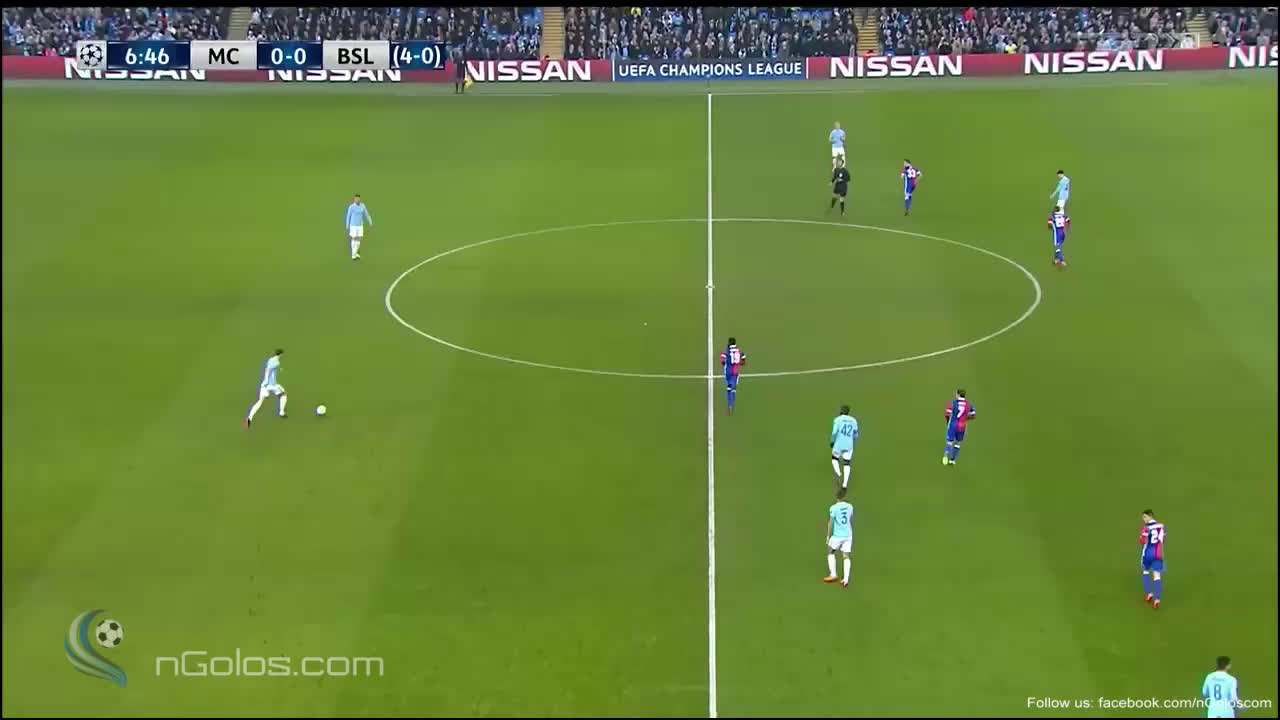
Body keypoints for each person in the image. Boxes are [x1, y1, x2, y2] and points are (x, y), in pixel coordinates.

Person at [245, 349, 287, 427]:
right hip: (272, 385)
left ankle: (249, 418)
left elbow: (270, 368)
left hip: (264, 386)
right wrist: (267, 380)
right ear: (280, 354)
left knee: (259, 402)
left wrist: (279, 369)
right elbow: (268, 370)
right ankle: (281, 412)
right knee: (283, 394)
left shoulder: (270, 360)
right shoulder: (277, 362)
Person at [824, 487, 854, 587]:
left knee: (831, 551)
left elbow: (830, 522)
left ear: (837, 497)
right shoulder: (850, 506)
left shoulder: (834, 508)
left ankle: (833, 574)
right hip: (848, 534)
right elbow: (850, 518)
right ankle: (846, 580)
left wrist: (828, 536)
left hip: (838, 535)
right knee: (846, 555)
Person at [1139, 509, 1165, 609]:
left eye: (1145, 517)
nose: (1143, 519)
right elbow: (1163, 539)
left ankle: (1149, 593)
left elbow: (1142, 540)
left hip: (1147, 553)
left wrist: (1141, 539)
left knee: (1145, 571)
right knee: (1157, 576)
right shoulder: (1161, 526)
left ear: (1150, 516)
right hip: (1158, 554)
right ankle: (1157, 599)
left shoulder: (1146, 528)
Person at [942, 389, 975, 466]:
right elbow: (973, 415)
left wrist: (948, 422)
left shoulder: (952, 403)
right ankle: (952, 460)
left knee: (949, 442)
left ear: (958, 394)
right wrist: (965, 419)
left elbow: (947, 414)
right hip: (962, 426)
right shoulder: (969, 404)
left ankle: (945, 456)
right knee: (958, 443)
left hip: (953, 425)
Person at [829, 405, 858, 490]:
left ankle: (838, 473)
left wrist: (832, 441)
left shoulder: (837, 419)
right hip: (849, 445)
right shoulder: (854, 420)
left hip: (839, 444)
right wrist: (852, 440)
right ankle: (845, 484)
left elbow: (834, 432)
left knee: (834, 458)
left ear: (841, 411)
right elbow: (856, 435)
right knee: (847, 463)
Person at [719, 337, 745, 415]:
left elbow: (722, 361)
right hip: (735, 372)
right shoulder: (739, 351)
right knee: (733, 389)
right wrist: (737, 363)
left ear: (729, 342)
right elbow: (743, 361)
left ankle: (729, 405)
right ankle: (731, 405)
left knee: (729, 388)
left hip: (728, 371)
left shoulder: (726, 351)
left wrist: (726, 362)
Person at [345, 193, 373, 261]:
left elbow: (366, 213)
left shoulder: (363, 205)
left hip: (360, 225)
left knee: (359, 239)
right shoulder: (351, 207)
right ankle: (353, 255)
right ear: (354, 199)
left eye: (358, 198)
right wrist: (347, 225)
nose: (357, 200)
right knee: (354, 238)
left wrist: (370, 221)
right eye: (356, 199)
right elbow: (348, 216)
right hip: (353, 225)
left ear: (359, 199)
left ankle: (355, 253)